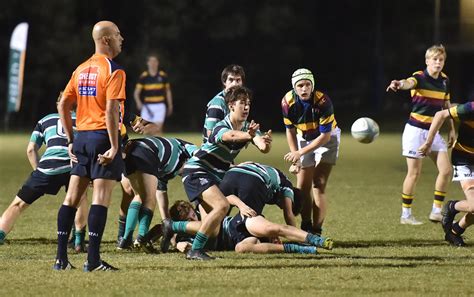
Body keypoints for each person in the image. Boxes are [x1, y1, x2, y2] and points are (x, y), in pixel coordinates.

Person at [53, 20, 125, 271]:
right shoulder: (114, 70)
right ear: (106, 39)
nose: (121, 38)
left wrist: (71, 140)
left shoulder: (81, 68)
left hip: (82, 138)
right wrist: (115, 147)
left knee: (71, 198)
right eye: (116, 34)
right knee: (101, 199)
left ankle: (61, 259)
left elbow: (63, 104)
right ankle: (93, 260)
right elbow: (111, 110)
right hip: (102, 138)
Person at [177, 86, 272, 260]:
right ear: (231, 106)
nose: (246, 107)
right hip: (197, 170)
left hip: (212, 176)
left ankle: (173, 227)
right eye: (242, 103)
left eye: (248, 104)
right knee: (222, 206)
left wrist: (265, 142)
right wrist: (249, 136)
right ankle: (195, 251)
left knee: (213, 229)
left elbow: (262, 147)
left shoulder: (248, 128)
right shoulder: (221, 126)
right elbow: (230, 137)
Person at [0, 108, 87, 249]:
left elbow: (30, 150)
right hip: (73, 165)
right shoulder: (84, 118)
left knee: (19, 204)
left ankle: (1, 233)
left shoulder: (46, 119)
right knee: (80, 198)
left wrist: (39, 174)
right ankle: (78, 240)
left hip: (48, 167)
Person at [386, 44, 455, 225]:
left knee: (446, 171)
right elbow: (408, 83)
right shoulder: (420, 77)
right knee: (414, 173)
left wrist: (453, 129)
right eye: (435, 60)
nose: (438, 63)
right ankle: (406, 215)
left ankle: (436, 211)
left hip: (434, 132)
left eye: (441, 60)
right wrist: (398, 84)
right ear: (427, 61)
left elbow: (447, 106)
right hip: (415, 131)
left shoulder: (445, 80)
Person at [281, 68, 341, 235]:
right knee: (302, 186)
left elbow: (325, 137)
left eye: (308, 84)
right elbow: (290, 131)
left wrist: (299, 153)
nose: (304, 88)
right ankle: (305, 226)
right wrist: (296, 158)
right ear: (294, 87)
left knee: (318, 184)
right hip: (303, 136)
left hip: (328, 139)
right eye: (300, 85)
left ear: (312, 85)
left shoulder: (323, 101)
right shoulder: (287, 102)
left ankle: (317, 230)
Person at [161, 200, 333, 255]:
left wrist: (241, 206)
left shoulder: (204, 214)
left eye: (192, 214)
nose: (193, 218)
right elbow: (183, 247)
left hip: (237, 223)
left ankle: (317, 240)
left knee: (271, 229)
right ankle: (300, 249)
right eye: (188, 218)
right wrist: (178, 244)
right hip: (237, 240)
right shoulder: (183, 237)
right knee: (241, 248)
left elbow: (227, 198)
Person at [116, 136, 198, 252]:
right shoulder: (187, 150)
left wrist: (167, 224)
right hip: (145, 151)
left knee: (138, 195)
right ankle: (142, 238)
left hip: (133, 150)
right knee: (149, 198)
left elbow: (162, 195)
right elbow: (202, 154)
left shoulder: (166, 171)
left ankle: (126, 239)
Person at [418, 101, 474, 246]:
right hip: (464, 160)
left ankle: (454, 232)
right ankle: (452, 207)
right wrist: (428, 142)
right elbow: (440, 114)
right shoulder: (470, 108)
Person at [202, 64, 245, 143]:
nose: (234, 84)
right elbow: (211, 135)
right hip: (212, 153)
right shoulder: (218, 103)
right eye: (231, 80)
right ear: (224, 82)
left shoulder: (238, 102)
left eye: (238, 80)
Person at [133, 53, 173, 135]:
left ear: (157, 63)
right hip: (147, 106)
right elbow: (136, 92)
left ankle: (158, 146)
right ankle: (148, 145)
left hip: (160, 105)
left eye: (154, 61)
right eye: (151, 61)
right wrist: (138, 102)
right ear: (147, 63)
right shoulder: (144, 76)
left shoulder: (162, 76)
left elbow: (168, 91)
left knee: (158, 128)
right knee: (144, 129)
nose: (153, 63)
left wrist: (170, 105)